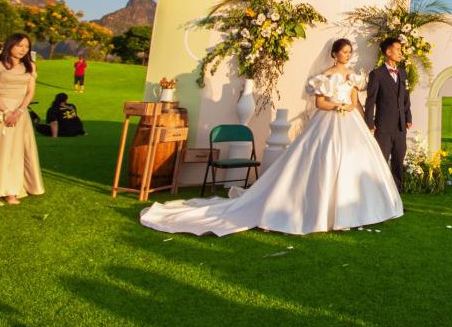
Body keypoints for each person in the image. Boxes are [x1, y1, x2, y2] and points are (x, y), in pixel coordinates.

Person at [140, 38, 403, 236]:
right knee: (325, 160)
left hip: (351, 122)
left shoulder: (353, 76)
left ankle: (357, 209)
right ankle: (322, 210)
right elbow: (320, 104)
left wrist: (358, 115)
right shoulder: (324, 77)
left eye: (349, 52)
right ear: (334, 53)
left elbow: (356, 101)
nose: (347, 55)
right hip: (328, 121)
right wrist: (336, 106)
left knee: (355, 160)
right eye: (343, 51)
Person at [0, 33, 43, 206]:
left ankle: (12, 190)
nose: (23, 50)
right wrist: (6, 111)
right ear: (10, 45)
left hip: (20, 113)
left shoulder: (29, 66)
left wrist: (20, 111)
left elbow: (30, 92)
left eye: (26, 46)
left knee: (16, 153)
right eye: (19, 45)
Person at [364, 37, 412, 192]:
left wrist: (408, 117)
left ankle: (397, 195)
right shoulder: (376, 74)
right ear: (388, 52)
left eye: (400, 50)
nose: (400, 53)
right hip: (383, 127)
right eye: (397, 49)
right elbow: (370, 101)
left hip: (400, 127)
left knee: (399, 160)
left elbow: (406, 98)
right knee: (381, 161)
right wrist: (369, 123)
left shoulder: (403, 73)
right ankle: (379, 193)